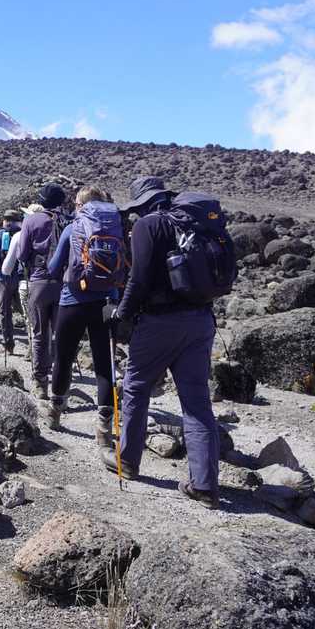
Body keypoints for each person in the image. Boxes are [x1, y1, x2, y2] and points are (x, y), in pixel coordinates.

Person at [108, 176, 224, 509]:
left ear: (142, 204)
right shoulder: (195, 225)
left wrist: (122, 317)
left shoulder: (148, 225)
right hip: (201, 320)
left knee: (136, 388)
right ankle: (204, 485)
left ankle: (127, 462)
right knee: (197, 401)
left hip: (159, 323)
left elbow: (139, 278)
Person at [44, 186, 124, 432]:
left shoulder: (72, 229)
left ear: (82, 206)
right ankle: (104, 427)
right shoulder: (117, 229)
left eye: (77, 204)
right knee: (104, 364)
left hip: (72, 302)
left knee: (64, 359)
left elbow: (53, 268)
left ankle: (55, 413)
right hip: (106, 304)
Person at [13, 184, 70, 400]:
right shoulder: (68, 221)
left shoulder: (32, 220)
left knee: (39, 334)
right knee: (61, 335)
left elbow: (22, 253)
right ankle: (61, 383)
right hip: (64, 284)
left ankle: (40, 383)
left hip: (39, 281)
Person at [0, 209, 24, 354]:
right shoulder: (23, 233)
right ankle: (34, 341)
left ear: (4, 220)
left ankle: (8, 344)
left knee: (5, 311)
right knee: (25, 311)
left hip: (3, 279)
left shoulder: (0, 234)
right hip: (21, 278)